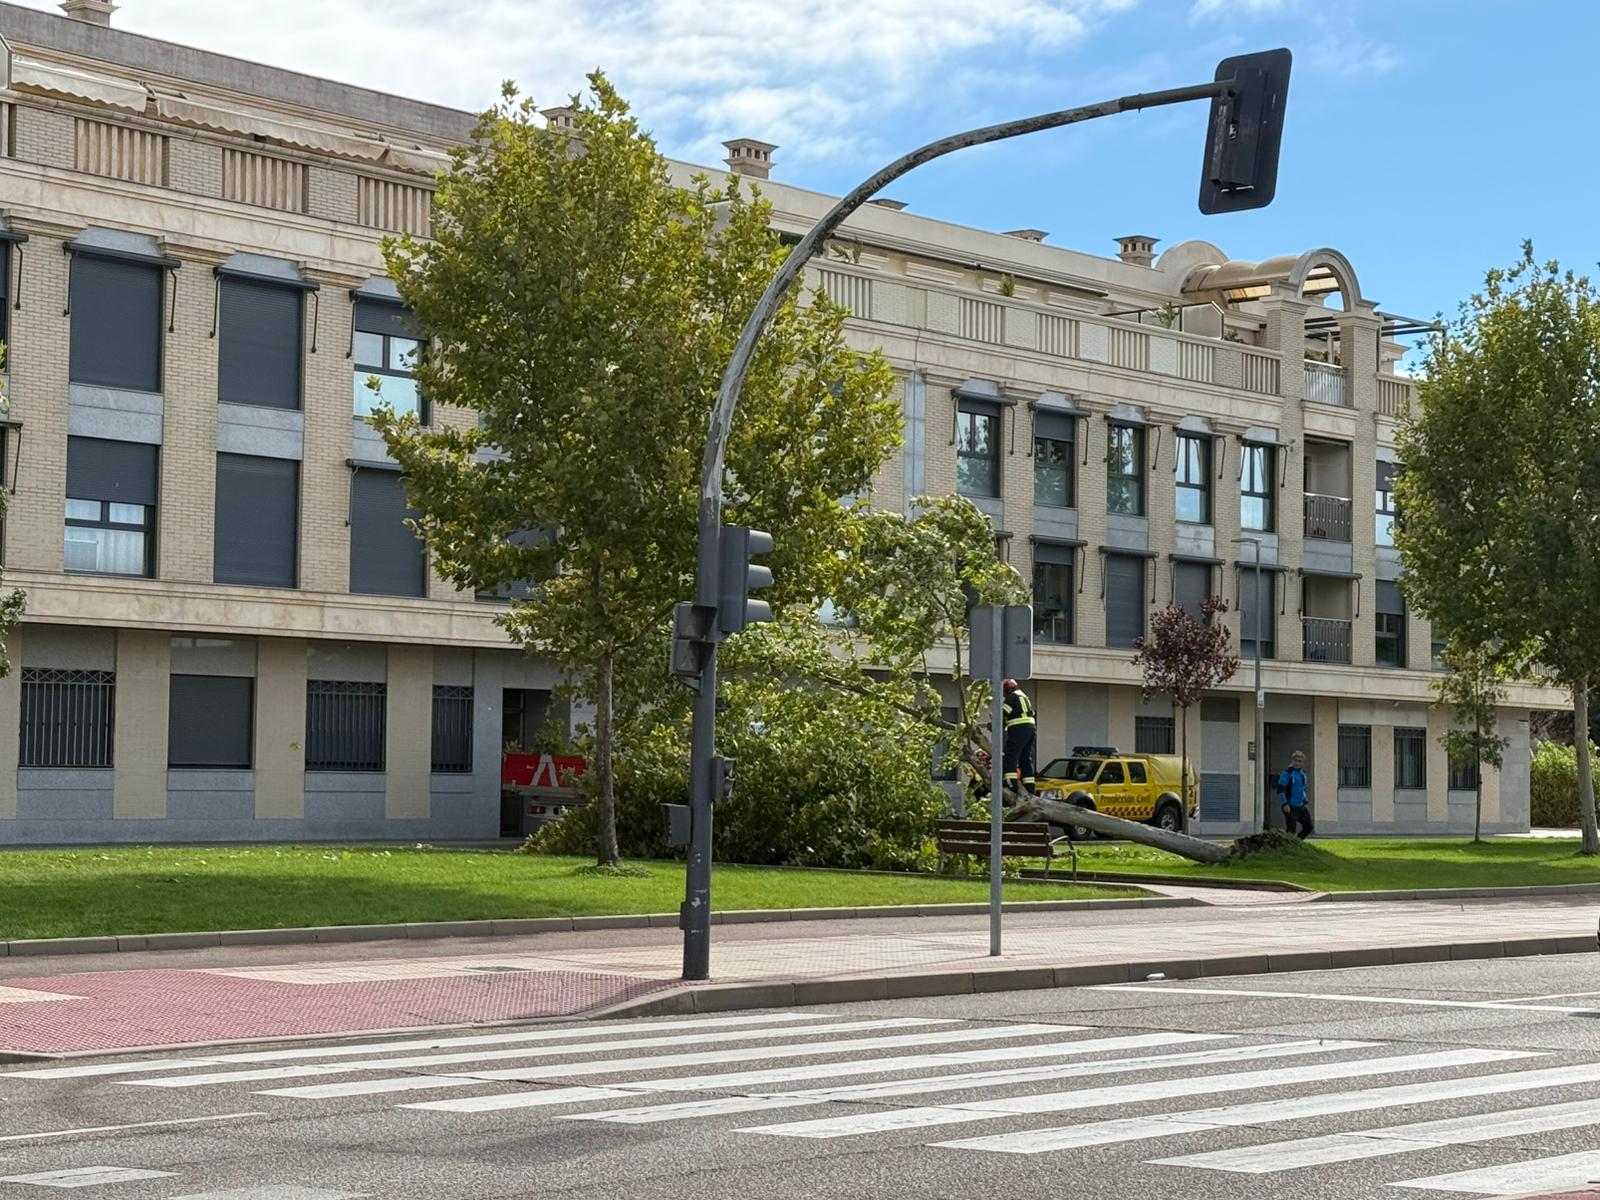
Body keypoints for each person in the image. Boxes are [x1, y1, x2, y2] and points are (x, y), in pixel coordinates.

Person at [1001, 678, 1037, 796]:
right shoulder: (1024, 696)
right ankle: (1030, 788)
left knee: (1010, 756)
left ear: (1007, 688)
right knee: (1025, 759)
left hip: (1018, 730)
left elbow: (1002, 714)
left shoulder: (1011, 698)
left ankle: (1011, 784)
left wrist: (995, 724)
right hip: (1030, 729)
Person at [1276, 750, 1314, 838]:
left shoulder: (1303, 774)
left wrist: (1305, 799)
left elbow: (1303, 789)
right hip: (1290, 806)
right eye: (1295, 761)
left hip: (1300, 806)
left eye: (1299, 761)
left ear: (1303, 763)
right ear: (1292, 761)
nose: (1297, 763)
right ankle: (1289, 846)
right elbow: (1280, 789)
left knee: (1308, 827)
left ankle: (1297, 843)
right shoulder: (1287, 774)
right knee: (1291, 830)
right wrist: (1284, 803)